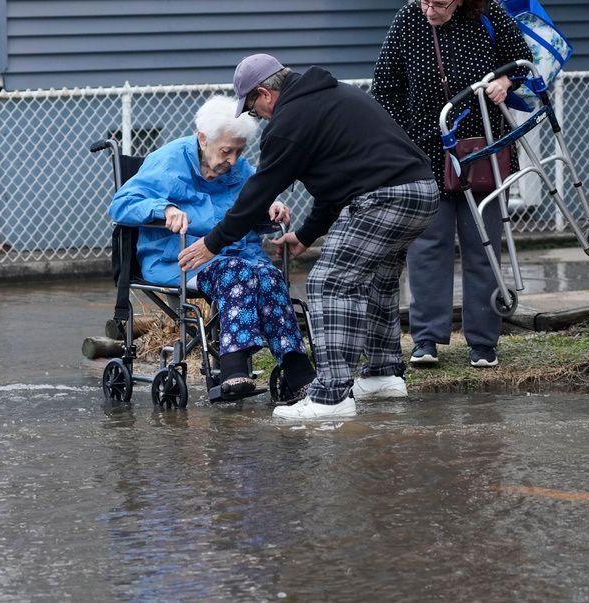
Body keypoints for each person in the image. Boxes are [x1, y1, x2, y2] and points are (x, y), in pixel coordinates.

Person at [178, 54, 439, 420]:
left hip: (384, 197)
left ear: (266, 94)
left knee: (329, 282)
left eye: (252, 109)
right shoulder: (334, 96)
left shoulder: (289, 122)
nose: (257, 117)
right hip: (422, 191)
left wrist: (213, 242)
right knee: (378, 279)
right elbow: (337, 186)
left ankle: (331, 396)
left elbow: (259, 192)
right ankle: (382, 374)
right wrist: (306, 234)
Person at [370, 0, 530, 369]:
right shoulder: (407, 22)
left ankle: (483, 343)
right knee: (427, 247)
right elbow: (384, 89)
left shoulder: (486, 15)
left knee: (484, 246)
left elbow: (522, 61)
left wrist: (504, 80)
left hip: (483, 148)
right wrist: (399, 145)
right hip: (423, 153)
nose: (429, 9)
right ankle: (426, 340)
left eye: (439, 3)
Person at [108, 96, 316, 402]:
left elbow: (251, 205)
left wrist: (270, 207)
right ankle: (233, 370)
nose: (233, 160)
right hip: (180, 259)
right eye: (226, 151)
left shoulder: (239, 168)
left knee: (269, 276)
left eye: (239, 151)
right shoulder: (168, 161)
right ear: (203, 139)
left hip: (236, 258)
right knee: (237, 273)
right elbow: (121, 204)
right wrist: (163, 209)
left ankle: (298, 371)